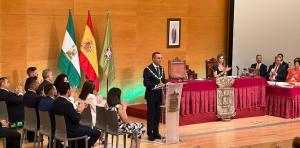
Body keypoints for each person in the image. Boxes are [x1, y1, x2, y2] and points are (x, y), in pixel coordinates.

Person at [52, 82, 100, 148]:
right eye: (71, 89)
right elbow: (76, 119)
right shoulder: (68, 104)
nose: (71, 90)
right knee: (97, 133)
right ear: (68, 91)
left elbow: (69, 114)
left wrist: (77, 110)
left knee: (86, 128)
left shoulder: (55, 101)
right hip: (70, 131)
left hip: (59, 130)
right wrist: (80, 111)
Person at [143, 52, 166, 141]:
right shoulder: (148, 69)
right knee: (151, 114)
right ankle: (150, 133)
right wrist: (155, 86)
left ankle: (156, 132)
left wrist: (165, 84)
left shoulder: (162, 69)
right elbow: (146, 83)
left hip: (159, 95)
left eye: (161, 58)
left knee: (157, 115)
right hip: (151, 95)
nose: (160, 60)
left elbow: (163, 80)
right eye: (158, 58)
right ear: (153, 58)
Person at [23, 76, 42, 142]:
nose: (39, 84)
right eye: (37, 83)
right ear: (32, 85)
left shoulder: (25, 95)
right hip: (37, 122)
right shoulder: (36, 97)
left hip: (27, 121)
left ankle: (31, 137)